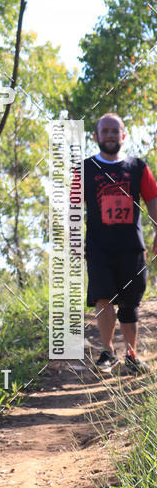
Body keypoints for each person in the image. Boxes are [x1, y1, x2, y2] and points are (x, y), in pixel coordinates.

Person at [83, 112, 157, 373]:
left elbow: (152, 199)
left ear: (123, 135)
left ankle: (132, 356)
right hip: (98, 248)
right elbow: (69, 206)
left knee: (129, 304)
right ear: (96, 137)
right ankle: (107, 352)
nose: (111, 136)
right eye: (105, 131)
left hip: (131, 248)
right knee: (103, 298)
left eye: (116, 131)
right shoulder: (85, 168)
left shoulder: (138, 167)